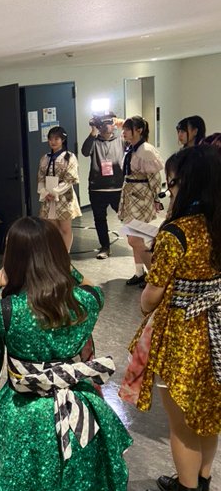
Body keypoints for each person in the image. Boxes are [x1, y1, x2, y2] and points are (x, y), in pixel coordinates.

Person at [0, 216, 132, 490]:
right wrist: (67, 268)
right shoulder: (86, 301)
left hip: (23, 412)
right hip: (79, 406)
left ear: (13, 259)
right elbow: (93, 288)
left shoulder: (9, 310)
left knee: (22, 479)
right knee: (79, 479)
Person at [120, 145, 221, 491]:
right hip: (216, 327)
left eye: (173, 183)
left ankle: (186, 486)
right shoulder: (216, 224)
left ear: (189, 184)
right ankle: (203, 479)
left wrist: (149, 264)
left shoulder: (176, 232)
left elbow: (152, 295)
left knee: (182, 424)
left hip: (182, 334)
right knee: (208, 412)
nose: (170, 190)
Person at [119, 116, 164, 286]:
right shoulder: (131, 148)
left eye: (127, 129)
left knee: (135, 239)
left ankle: (154, 275)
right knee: (133, 236)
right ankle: (140, 272)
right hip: (130, 194)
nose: (124, 132)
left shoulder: (146, 150)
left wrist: (156, 198)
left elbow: (155, 178)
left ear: (139, 130)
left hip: (141, 196)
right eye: (124, 129)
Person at [81, 111, 126, 259]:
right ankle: (105, 247)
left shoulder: (121, 139)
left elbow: (138, 136)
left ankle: (137, 242)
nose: (107, 126)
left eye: (109, 122)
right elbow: (85, 152)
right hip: (97, 187)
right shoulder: (94, 140)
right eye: (104, 122)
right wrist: (93, 132)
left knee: (126, 217)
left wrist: (123, 123)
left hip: (117, 187)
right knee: (100, 219)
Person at [37, 126, 81, 251]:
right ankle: (55, 254)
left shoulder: (69, 157)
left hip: (64, 196)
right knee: (52, 229)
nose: (53, 142)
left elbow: (70, 179)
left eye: (56, 139)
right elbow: (40, 178)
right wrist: (44, 192)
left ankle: (65, 255)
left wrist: (55, 191)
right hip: (48, 196)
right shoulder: (45, 158)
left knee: (65, 228)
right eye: (51, 139)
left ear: (63, 140)